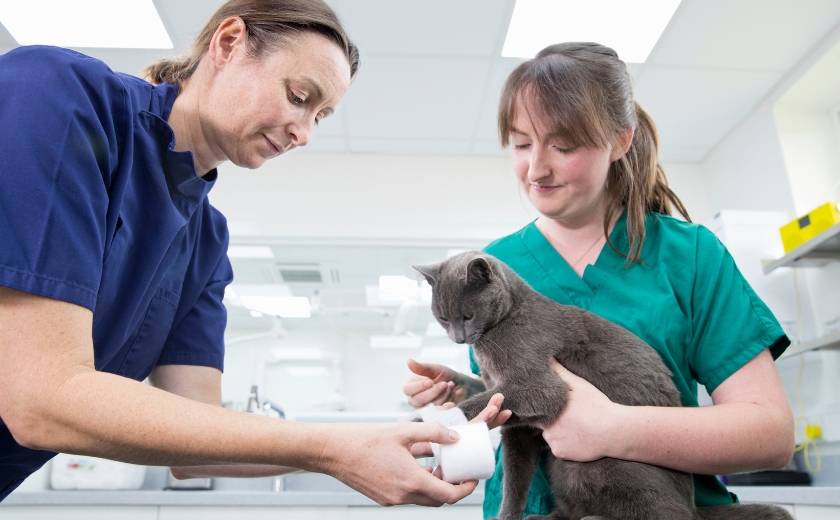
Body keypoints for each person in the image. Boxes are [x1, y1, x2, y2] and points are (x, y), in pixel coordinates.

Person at [0, 0, 504, 504]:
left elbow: (197, 446)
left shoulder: (205, 240)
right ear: (228, 43)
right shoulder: (60, 97)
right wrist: (329, 448)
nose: (304, 133)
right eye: (299, 96)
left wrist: (407, 433)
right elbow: (41, 398)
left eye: (320, 115)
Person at [403, 42, 795, 518]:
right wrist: (470, 394)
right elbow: (532, 401)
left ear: (620, 141)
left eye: (562, 146)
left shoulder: (689, 256)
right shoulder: (493, 268)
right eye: (522, 143)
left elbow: (771, 436)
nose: (536, 168)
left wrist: (613, 427)